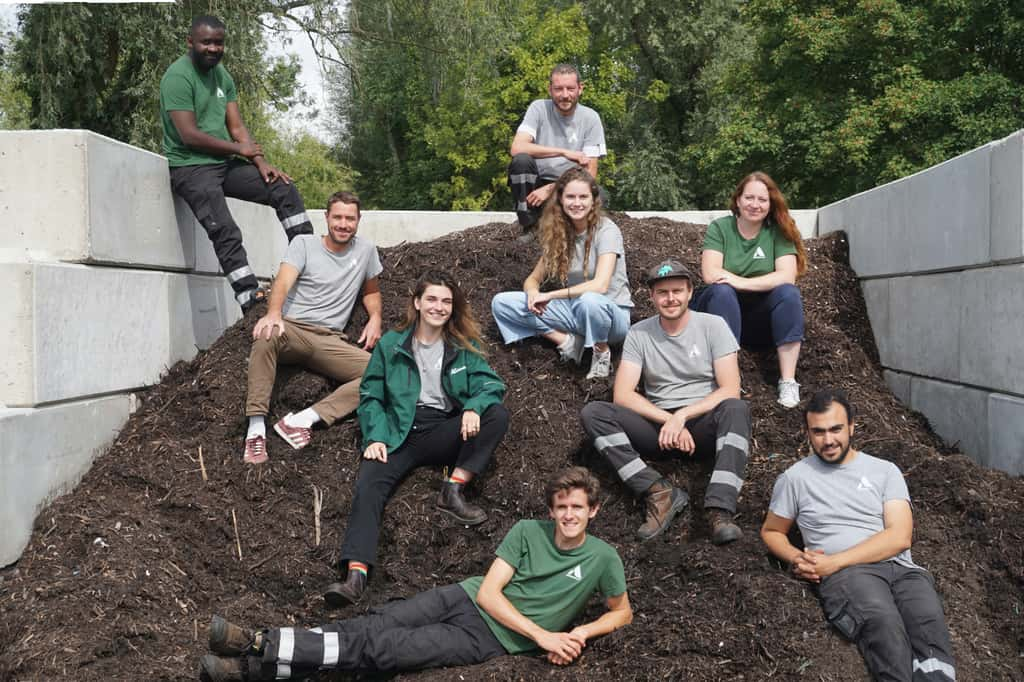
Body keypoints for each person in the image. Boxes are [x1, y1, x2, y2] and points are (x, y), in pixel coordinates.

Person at [197, 467, 631, 681]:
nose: (569, 515)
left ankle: (256, 652)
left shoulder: (603, 558)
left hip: (487, 639)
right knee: (369, 626)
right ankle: (255, 662)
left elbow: (622, 613)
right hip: (466, 598)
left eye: (578, 507)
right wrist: (545, 637)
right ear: (551, 509)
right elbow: (490, 595)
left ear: (593, 510)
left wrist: (579, 634)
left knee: (381, 650)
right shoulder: (526, 531)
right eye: (562, 507)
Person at [322, 270, 509, 607]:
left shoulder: (463, 345)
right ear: (418, 303)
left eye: (446, 301)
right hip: (399, 431)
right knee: (369, 485)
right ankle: (355, 575)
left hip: (444, 429)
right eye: (433, 299)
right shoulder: (392, 345)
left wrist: (474, 408)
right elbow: (371, 394)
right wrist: (375, 436)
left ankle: (453, 489)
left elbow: (491, 386)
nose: (439, 307)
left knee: (497, 414)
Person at [760, 389, 955, 681]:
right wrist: (799, 557)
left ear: (852, 426)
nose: (828, 440)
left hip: (900, 569)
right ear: (808, 433)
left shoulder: (884, 471)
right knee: (883, 622)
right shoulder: (794, 479)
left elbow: (900, 537)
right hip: (850, 576)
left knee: (928, 623)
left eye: (836, 429)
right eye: (818, 432)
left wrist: (834, 561)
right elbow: (772, 531)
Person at [581, 260, 750, 544]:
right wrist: (669, 420)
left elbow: (731, 388)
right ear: (652, 296)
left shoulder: (713, 326)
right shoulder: (640, 333)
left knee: (737, 408)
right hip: (658, 427)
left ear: (690, 292)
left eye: (677, 291)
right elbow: (623, 394)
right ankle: (657, 491)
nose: (670, 298)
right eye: (663, 292)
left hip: (703, 422)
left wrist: (682, 416)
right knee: (594, 412)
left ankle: (720, 510)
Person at [160, 15, 314, 312]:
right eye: (206, 42)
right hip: (190, 168)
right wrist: (239, 149)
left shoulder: (222, 76)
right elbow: (189, 135)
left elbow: (237, 127)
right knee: (226, 229)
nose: (213, 48)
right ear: (190, 42)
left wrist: (260, 161)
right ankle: (249, 298)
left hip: (223, 163)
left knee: (282, 187)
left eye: (219, 43)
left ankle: (310, 265)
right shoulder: (178, 76)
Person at [242, 191, 382, 464]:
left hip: (331, 340)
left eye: (350, 219)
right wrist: (273, 313)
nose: (343, 224)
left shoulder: (366, 251)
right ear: (326, 217)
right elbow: (282, 281)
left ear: (359, 220)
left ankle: (303, 419)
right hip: (294, 330)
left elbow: (372, 290)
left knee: (381, 374)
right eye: (338, 217)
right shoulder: (304, 244)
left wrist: (375, 317)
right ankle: (256, 429)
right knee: (266, 335)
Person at [491, 167, 633, 380]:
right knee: (502, 303)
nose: (577, 203)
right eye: (570, 197)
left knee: (590, 301)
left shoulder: (607, 230)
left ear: (594, 200)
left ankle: (601, 352)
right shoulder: (559, 233)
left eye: (583, 196)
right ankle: (567, 342)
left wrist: (548, 296)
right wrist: (532, 294)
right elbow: (533, 279)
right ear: (560, 199)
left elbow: (600, 285)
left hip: (611, 317)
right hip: (575, 312)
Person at [690, 171, 808, 408]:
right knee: (722, 292)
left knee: (788, 294)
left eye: (762, 200)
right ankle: (728, 378)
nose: (755, 205)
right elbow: (711, 273)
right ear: (738, 200)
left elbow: (787, 275)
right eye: (749, 198)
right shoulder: (720, 228)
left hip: (759, 321)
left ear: (770, 203)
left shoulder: (777, 231)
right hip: (721, 315)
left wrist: (739, 281)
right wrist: (736, 284)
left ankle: (787, 381)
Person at [508, 63, 608, 235]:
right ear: (550, 90)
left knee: (600, 194)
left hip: (570, 186)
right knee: (521, 161)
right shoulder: (538, 108)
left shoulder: (591, 118)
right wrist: (563, 152)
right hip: (536, 184)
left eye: (570, 88)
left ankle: (575, 230)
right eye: (558, 89)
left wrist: (552, 189)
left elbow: (590, 173)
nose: (565, 95)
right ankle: (530, 226)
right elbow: (517, 147)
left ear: (580, 89)